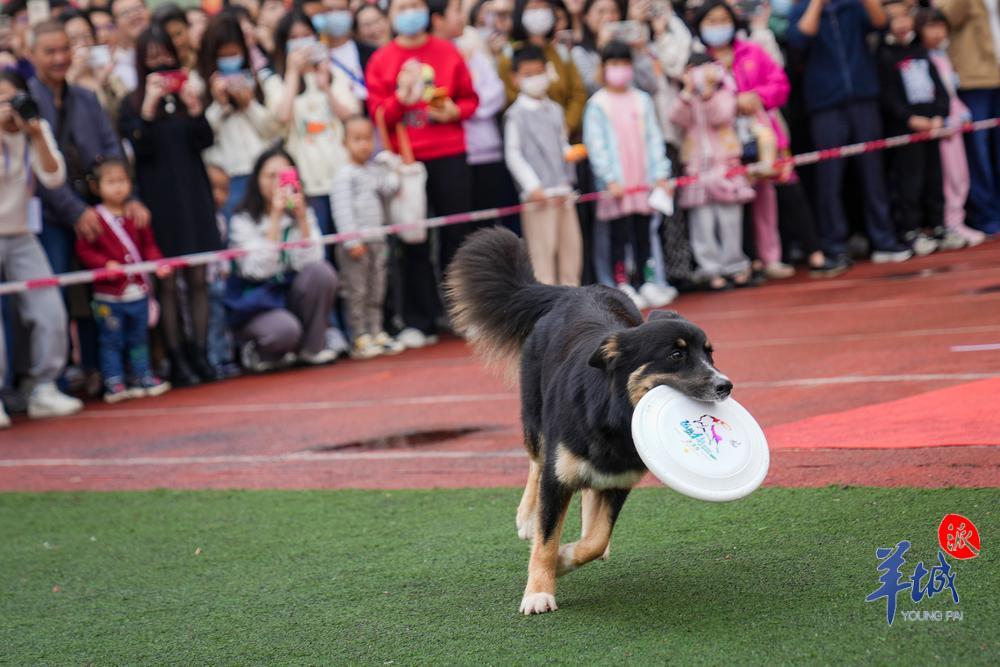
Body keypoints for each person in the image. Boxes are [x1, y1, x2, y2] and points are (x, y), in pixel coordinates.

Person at [365, 0, 479, 348]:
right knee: (412, 240)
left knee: (457, 237)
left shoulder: (447, 51)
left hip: (449, 153)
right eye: (402, 5)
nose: (409, 10)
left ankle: (465, 313)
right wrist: (401, 98)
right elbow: (379, 114)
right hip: (408, 161)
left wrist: (451, 111)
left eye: (415, 3)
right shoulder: (381, 60)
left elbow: (470, 100)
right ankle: (419, 318)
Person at [118, 26, 222, 387]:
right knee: (168, 280)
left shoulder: (187, 96)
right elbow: (138, 148)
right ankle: (176, 356)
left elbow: (205, 140)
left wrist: (195, 109)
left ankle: (202, 350)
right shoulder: (131, 103)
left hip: (194, 196)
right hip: (159, 201)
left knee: (197, 278)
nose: (160, 63)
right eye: (152, 57)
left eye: (165, 55)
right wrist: (147, 109)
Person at [787, 0, 912, 270]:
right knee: (829, 177)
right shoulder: (801, 10)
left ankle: (883, 239)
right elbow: (799, 40)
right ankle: (834, 244)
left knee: (873, 172)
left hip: (864, 97)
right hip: (825, 104)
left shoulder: (853, 6)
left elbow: (881, 23)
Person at [0, 70, 83, 426]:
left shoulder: (35, 127)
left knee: (49, 306)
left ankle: (44, 386)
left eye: (12, 99)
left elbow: (53, 176)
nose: (8, 109)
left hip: (21, 232)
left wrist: (34, 135)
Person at [694, 0, 797, 280]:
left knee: (766, 197)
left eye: (722, 19)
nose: (718, 26)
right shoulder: (698, 60)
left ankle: (771, 257)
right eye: (711, 21)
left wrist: (757, 98)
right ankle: (743, 262)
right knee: (731, 205)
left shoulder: (752, 51)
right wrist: (729, 103)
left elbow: (780, 84)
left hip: (758, 138)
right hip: (720, 144)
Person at [227, 147, 340, 371]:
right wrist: (275, 220)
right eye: (270, 176)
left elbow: (313, 262)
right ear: (256, 180)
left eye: (283, 175)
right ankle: (257, 351)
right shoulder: (243, 220)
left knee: (322, 273)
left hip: (289, 293)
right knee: (284, 331)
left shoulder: (302, 212)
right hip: (258, 301)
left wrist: (301, 220)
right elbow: (258, 271)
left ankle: (311, 348)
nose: (276, 183)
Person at [583, 41, 674, 308]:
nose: (619, 70)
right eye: (613, 64)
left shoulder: (642, 100)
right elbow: (596, 145)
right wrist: (609, 178)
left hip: (643, 182)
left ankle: (647, 282)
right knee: (619, 236)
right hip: (617, 186)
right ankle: (622, 284)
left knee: (643, 233)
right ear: (603, 68)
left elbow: (654, 138)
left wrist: (660, 172)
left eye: (624, 64)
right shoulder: (598, 104)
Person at [73, 158, 172, 403]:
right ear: (97, 187)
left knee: (139, 337)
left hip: (137, 291)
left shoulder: (134, 215)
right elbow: (84, 250)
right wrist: (104, 264)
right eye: (111, 182)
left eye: (122, 181)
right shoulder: (94, 218)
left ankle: (142, 376)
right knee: (110, 340)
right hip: (109, 294)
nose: (118, 187)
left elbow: (148, 245)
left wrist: (158, 262)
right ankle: (114, 381)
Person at [264, 10, 359, 238]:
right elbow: (282, 117)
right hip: (305, 181)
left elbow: (351, 116)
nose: (301, 43)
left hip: (341, 175)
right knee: (317, 241)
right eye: (293, 38)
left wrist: (326, 87)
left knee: (350, 244)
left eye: (306, 35)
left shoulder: (334, 74)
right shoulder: (275, 82)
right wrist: (293, 72)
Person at [669, 52, 755, 290]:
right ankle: (710, 269)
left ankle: (735, 265)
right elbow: (675, 118)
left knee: (730, 219)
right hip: (697, 167)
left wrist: (707, 92)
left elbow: (721, 116)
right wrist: (687, 92)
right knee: (702, 222)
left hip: (724, 164)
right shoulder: (685, 99)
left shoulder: (724, 93)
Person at [430, 0, 517, 230]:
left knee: (488, 224)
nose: (461, 17)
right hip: (453, 153)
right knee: (458, 228)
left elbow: (496, 92)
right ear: (437, 19)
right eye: (456, 11)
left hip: (487, 150)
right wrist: (457, 109)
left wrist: (465, 109)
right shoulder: (433, 54)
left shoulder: (471, 48)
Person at [504, 45, 582, 285]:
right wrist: (532, 185)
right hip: (538, 198)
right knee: (542, 257)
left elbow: (561, 145)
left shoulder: (556, 110)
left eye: (540, 72)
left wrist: (570, 163)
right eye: (528, 74)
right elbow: (513, 154)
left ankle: (576, 311)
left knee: (571, 253)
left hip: (563, 192)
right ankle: (547, 315)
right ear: (515, 78)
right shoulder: (515, 115)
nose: (536, 79)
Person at [877, 0, 949, 256]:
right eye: (894, 18)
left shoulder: (920, 50)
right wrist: (909, 119)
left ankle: (938, 225)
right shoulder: (884, 54)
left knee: (935, 178)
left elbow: (940, 87)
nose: (902, 23)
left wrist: (941, 114)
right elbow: (888, 96)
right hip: (906, 130)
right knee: (910, 181)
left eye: (905, 17)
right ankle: (911, 229)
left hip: (932, 125)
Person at [331, 116, 406, 358]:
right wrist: (352, 240)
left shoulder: (374, 171)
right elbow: (342, 210)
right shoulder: (344, 175)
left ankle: (376, 330)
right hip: (357, 245)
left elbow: (390, 188)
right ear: (344, 143)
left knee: (377, 288)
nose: (364, 145)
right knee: (357, 291)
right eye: (357, 139)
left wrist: (393, 166)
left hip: (378, 240)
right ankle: (359, 336)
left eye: (368, 139)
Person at [196, 12, 279, 218]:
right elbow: (200, 136)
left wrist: (248, 104)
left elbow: (273, 130)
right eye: (223, 56)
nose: (229, 60)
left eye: (234, 54)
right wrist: (219, 105)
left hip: (263, 173)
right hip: (228, 179)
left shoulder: (259, 80)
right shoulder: (197, 84)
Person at [918, 7, 984, 249]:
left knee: (962, 176)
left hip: (955, 125)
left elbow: (951, 93)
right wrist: (941, 116)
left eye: (940, 26)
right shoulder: (924, 59)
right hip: (941, 128)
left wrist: (962, 110)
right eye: (930, 27)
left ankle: (958, 220)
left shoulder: (943, 56)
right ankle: (948, 223)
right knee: (948, 178)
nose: (937, 33)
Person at [937, 0, 1000, 235]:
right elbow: (948, 17)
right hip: (972, 78)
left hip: (997, 73)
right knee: (978, 153)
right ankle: (986, 214)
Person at [498, 0, 587, 137]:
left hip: (564, 135)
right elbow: (509, 96)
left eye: (544, 7)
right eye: (533, 8)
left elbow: (578, 94)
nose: (539, 12)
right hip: (528, 136)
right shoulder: (510, 55)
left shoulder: (561, 53)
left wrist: (566, 124)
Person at [314, 0, 377, 103]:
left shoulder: (371, 52)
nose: (335, 15)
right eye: (328, 10)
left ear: (350, 12)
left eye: (341, 9)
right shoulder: (313, 57)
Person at [109, 0, 150, 91]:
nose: (134, 16)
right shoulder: (114, 67)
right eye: (125, 13)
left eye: (137, 9)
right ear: (115, 24)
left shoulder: (166, 50)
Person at [152, 3, 196, 71]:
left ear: (187, 27)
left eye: (179, 33)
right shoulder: (160, 72)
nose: (177, 42)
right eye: (169, 37)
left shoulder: (207, 59)